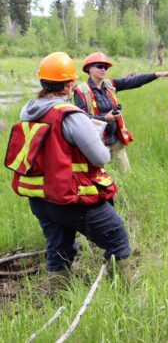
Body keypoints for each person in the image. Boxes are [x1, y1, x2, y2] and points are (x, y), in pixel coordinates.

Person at [4, 52, 131, 291]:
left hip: (40, 199)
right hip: (71, 198)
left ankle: (58, 297)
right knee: (117, 239)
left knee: (59, 249)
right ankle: (122, 297)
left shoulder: (28, 111)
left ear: (42, 82)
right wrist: (95, 134)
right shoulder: (71, 116)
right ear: (70, 85)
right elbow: (101, 157)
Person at [73, 51, 168, 173]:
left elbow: (133, 81)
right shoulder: (81, 90)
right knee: (98, 179)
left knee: (126, 175)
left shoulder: (110, 84)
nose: (103, 70)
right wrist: (104, 118)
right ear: (89, 68)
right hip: (96, 142)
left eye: (105, 67)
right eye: (100, 66)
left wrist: (156, 75)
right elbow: (81, 119)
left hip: (115, 140)